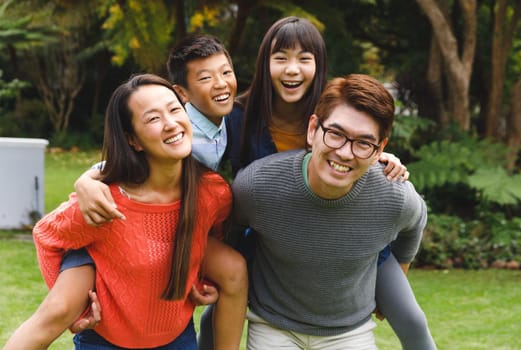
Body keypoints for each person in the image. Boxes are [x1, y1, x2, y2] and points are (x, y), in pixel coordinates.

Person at [72, 17, 432, 350]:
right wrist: (90, 178)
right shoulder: (239, 118)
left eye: (304, 59)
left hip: (341, 235)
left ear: (319, 66)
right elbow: (165, 145)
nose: (292, 69)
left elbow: (364, 145)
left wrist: (385, 161)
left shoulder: (337, 118)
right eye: (281, 57)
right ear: (265, 64)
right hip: (265, 235)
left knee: (413, 318)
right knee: (223, 298)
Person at [2, 73, 246, 350]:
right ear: (134, 141)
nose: (170, 124)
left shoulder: (212, 193)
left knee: (233, 265)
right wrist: (77, 307)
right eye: (153, 119)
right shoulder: (104, 203)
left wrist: (198, 277)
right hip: (106, 340)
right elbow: (46, 235)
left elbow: (208, 235)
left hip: (175, 337)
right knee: (55, 311)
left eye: (175, 109)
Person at [232, 73, 427, 349]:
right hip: (273, 325)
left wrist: (402, 267)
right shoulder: (257, 186)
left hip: (349, 330)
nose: (345, 153)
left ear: (379, 149)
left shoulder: (393, 195)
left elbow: (416, 222)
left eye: (363, 143)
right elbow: (230, 229)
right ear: (313, 129)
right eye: (335, 134)